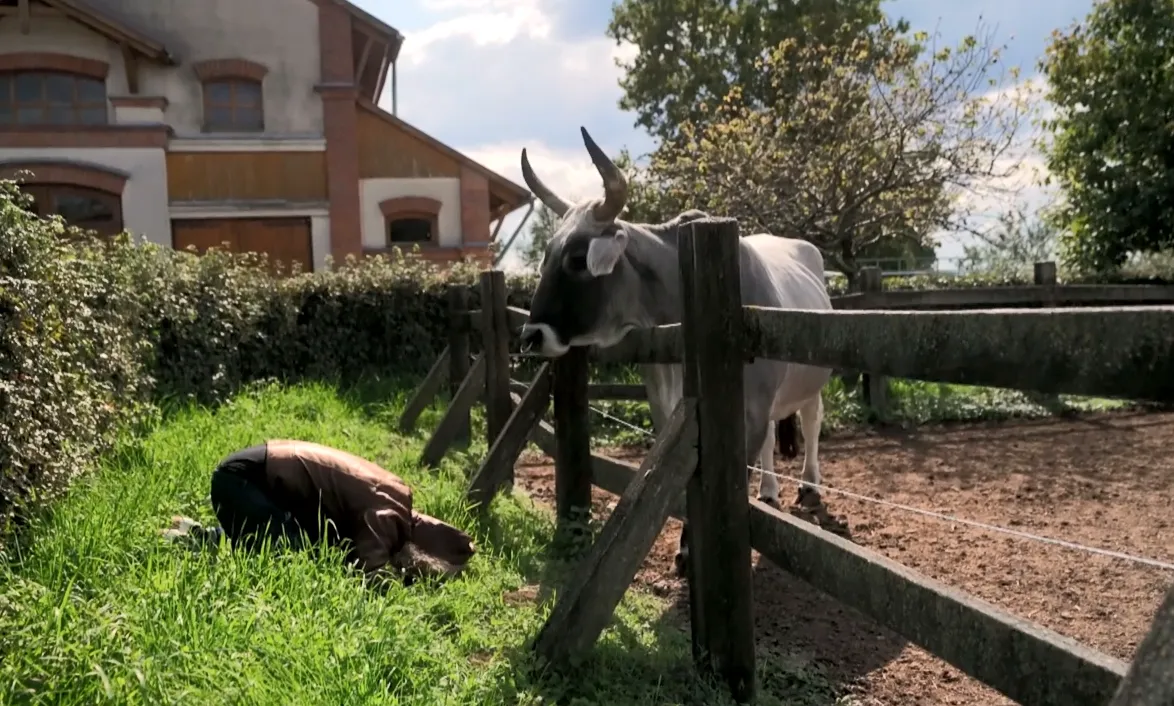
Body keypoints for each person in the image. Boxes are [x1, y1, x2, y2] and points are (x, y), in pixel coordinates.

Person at [162, 439, 477, 584]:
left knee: (303, 542)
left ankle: (192, 535)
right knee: (291, 556)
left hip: (248, 476)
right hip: (243, 481)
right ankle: (198, 538)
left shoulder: (396, 495)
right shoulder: (389, 517)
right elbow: (367, 570)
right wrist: (398, 585)